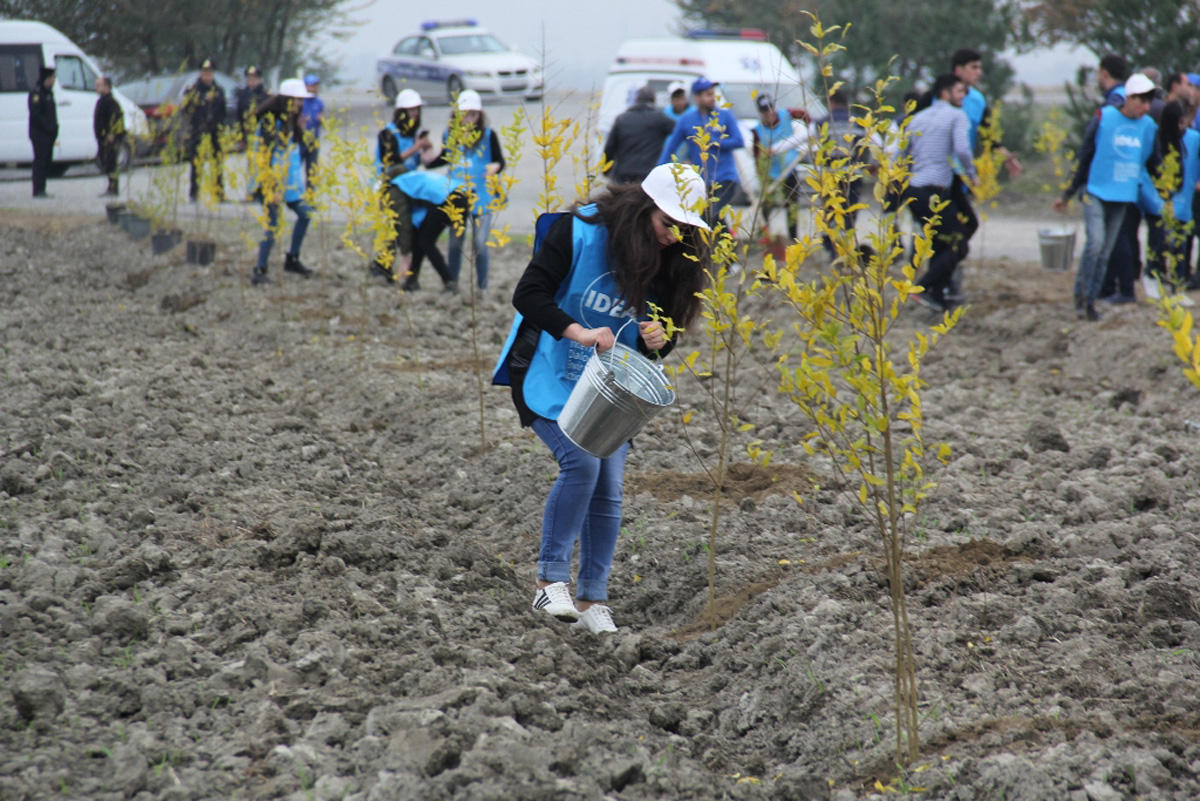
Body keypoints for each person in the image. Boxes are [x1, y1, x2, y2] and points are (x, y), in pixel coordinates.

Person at [493, 163, 710, 633]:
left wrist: (660, 338)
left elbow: (664, 339)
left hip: (612, 389)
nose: (674, 237)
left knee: (609, 487)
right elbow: (527, 294)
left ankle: (592, 601)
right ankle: (549, 582)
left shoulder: (673, 261)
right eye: (667, 224)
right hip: (548, 369)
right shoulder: (578, 232)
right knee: (582, 463)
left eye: (685, 229)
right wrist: (580, 332)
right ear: (641, 210)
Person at [1054, 74, 1159, 321]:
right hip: (1095, 192)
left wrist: (1167, 188)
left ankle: (1089, 302)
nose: (1146, 108)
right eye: (1142, 101)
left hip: (1122, 196)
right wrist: (1068, 193)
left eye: (1149, 102)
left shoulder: (1147, 127)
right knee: (1095, 244)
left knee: (1105, 251)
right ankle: (1080, 298)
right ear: (1129, 98)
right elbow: (1085, 156)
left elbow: (1155, 162)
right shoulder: (1104, 118)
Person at [903, 73, 977, 312]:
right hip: (934, 191)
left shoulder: (917, 118)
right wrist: (971, 174)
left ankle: (937, 296)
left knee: (940, 243)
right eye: (959, 92)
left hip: (914, 190)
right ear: (945, 93)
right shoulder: (956, 115)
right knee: (959, 243)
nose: (963, 97)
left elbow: (901, 153)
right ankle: (923, 288)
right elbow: (963, 150)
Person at [426, 89, 505, 292]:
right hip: (457, 198)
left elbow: (500, 161)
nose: (469, 119)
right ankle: (452, 284)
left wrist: (494, 168)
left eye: (474, 114)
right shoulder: (449, 135)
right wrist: (427, 160)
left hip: (482, 197)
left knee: (479, 244)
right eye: (465, 114)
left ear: (479, 116)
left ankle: (482, 288)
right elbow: (444, 158)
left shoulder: (489, 135)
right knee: (455, 243)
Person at [251, 79, 318, 286]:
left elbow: (294, 151)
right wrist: (271, 188)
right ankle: (259, 270)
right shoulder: (271, 122)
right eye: (297, 99)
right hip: (271, 184)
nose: (300, 104)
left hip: (288, 185)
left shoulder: (290, 120)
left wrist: (301, 129)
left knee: (305, 214)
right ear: (287, 100)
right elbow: (267, 157)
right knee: (273, 225)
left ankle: (292, 258)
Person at [657, 77, 745, 226]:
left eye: (713, 94)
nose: (712, 98)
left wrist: (716, 142)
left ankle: (719, 248)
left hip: (725, 177)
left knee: (713, 215)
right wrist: (659, 172)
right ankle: (725, 247)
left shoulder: (724, 115)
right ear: (697, 98)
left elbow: (739, 141)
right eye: (708, 94)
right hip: (701, 180)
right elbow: (671, 147)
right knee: (706, 219)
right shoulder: (686, 120)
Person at [369, 88, 434, 283]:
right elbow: (391, 160)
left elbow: (422, 162)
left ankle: (387, 267)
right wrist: (417, 147)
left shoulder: (414, 134)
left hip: (408, 186)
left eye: (417, 110)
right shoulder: (387, 133)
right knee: (391, 226)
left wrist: (427, 150)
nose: (415, 114)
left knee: (405, 226)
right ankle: (382, 266)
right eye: (411, 110)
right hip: (388, 185)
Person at [1144, 99, 1198, 303]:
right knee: (1159, 242)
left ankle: (1178, 288)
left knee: (1181, 247)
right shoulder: (1159, 141)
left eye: (1184, 123)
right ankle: (1152, 275)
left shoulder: (1194, 139)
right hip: (1161, 203)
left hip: (1184, 204)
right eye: (1178, 123)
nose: (1181, 128)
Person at [753, 93, 806, 242]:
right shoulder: (758, 130)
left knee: (791, 205)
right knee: (766, 205)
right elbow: (757, 154)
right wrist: (761, 174)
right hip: (771, 174)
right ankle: (765, 236)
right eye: (765, 111)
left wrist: (812, 129)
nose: (768, 113)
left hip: (789, 170)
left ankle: (793, 239)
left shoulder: (787, 115)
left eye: (770, 109)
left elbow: (805, 115)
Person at [602, 85, 674, 185]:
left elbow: (609, 148)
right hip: (649, 174)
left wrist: (605, 170)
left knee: (622, 200)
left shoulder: (622, 119)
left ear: (636, 100)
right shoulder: (660, 119)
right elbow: (681, 132)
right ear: (653, 101)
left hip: (623, 175)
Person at [181, 58, 227, 202]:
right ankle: (194, 193)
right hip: (198, 130)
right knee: (196, 162)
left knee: (217, 161)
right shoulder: (192, 90)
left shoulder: (219, 90)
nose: (207, 76)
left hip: (214, 130)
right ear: (201, 73)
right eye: (204, 73)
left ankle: (218, 192)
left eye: (209, 73)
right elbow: (186, 110)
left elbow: (223, 112)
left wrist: (219, 126)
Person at [28, 65, 57, 198]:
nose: (54, 80)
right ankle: (37, 189)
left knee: (46, 160)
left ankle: (42, 188)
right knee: (39, 161)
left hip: (49, 134)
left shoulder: (49, 93)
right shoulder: (37, 93)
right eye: (53, 77)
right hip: (39, 134)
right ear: (48, 78)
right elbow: (36, 114)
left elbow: (52, 113)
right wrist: (47, 127)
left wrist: (55, 128)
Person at [93, 76, 125, 198]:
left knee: (111, 163)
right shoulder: (102, 101)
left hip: (109, 139)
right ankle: (110, 185)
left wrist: (112, 134)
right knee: (106, 162)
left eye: (99, 85)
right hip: (102, 138)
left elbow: (117, 119)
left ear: (106, 87)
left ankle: (113, 187)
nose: (96, 88)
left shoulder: (111, 102)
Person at [299, 72, 323, 183]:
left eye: (315, 85)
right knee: (296, 166)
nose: (313, 88)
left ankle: (310, 194)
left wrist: (321, 120)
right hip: (301, 139)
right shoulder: (301, 101)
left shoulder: (319, 102)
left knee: (312, 168)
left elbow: (320, 119)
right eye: (311, 85)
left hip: (314, 139)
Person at [235, 65, 269, 142]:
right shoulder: (242, 95)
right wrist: (239, 136)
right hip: (246, 134)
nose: (252, 81)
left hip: (261, 135)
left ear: (259, 79)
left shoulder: (266, 96)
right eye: (250, 78)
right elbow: (239, 116)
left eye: (254, 78)